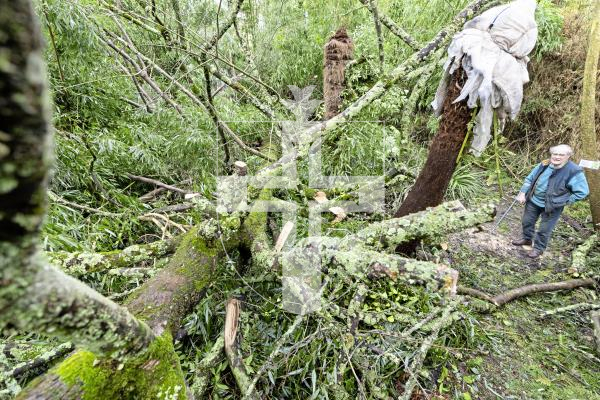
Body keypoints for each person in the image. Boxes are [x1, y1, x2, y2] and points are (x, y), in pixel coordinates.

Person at [512, 144, 589, 258]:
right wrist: (522, 193)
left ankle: (538, 249)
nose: (557, 157)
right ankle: (527, 239)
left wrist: (564, 201)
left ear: (568, 156)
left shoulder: (574, 171)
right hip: (533, 200)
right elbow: (529, 179)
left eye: (561, 155)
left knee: (544, 229)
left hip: (553, 206)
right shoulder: (544, 164)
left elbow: (582, 192)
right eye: (555, 154)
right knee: (527, 222)